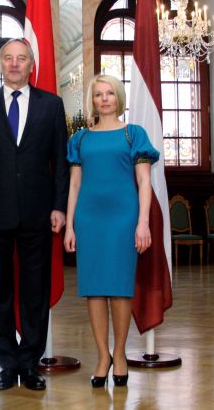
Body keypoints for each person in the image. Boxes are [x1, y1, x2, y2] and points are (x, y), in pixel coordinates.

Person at [0, 38, 69, 391]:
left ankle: (29, 362)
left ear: (31, 65)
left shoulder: (51, 105)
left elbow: (61, 163)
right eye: (8, 58)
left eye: (21, 58)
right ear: (0, 64)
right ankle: (7, 363)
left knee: (35, 291)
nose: (14, 63)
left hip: (38, 211)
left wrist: (59, 206)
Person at [63, 74, 159, 388]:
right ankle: (102, 356)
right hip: (88, 219)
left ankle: (119, 353)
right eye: (98, 94)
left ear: (118, 97)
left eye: (110, 93)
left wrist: (143, 222)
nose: (104, 99)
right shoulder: (80, 139)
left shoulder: (134, 134)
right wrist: (70, 225)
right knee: (93, 288)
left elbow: (144, 181)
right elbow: (74, 185)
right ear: (92, 100)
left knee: (119, 288)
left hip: (123, 218)